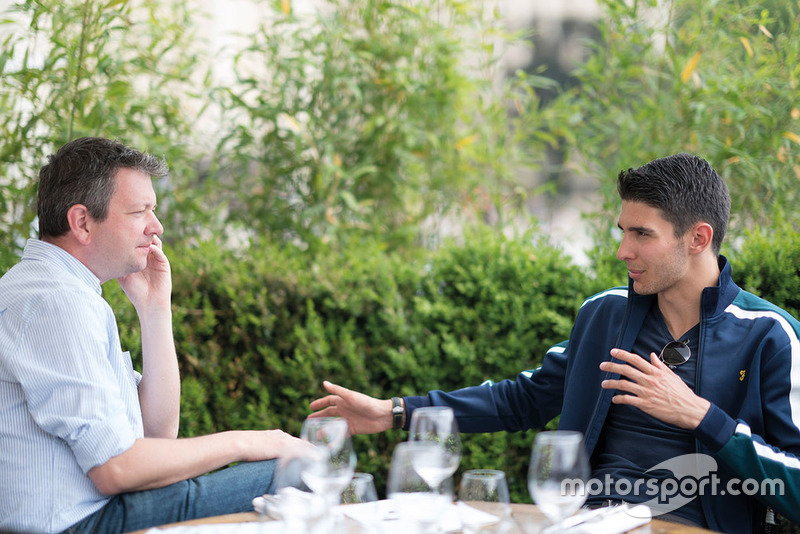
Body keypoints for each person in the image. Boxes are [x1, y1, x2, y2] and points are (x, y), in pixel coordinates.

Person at [309, 153, 800, 532]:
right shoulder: (605, 315)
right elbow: (523, 400)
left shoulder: (766, 335)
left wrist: (701, 417)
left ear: (698, 238)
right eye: (622, 230)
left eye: (641, 234)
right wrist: (393, 412)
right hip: (583, 519)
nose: (622, 250)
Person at [0, 137, 304, 534]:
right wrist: (252, 442)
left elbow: (155, 431)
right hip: (84, 524)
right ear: (82, 222)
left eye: (153, 210)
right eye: (140, 211)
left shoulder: (58, 290)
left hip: (98, 513)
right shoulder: (56, 301)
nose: (156, 227)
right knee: (296, 470)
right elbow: (116, 468)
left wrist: (155, 311)